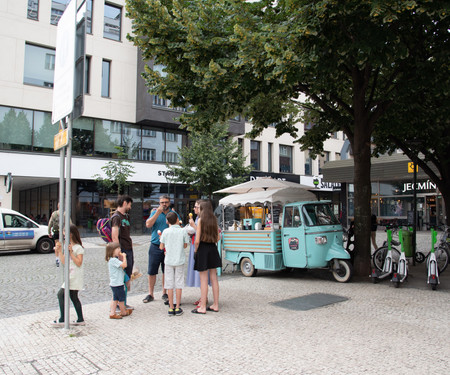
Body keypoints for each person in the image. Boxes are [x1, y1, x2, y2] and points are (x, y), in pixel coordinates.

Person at [143, 195, 180, 304]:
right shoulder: (155, 212)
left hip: (169, 247)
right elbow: (148, 225)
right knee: (152, 271)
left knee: (166, 270)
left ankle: (165, 293)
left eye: (166, 202)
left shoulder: (174, 214)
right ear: (159, 203)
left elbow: (180, 227)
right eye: (162, 202)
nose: (164, 204)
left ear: (169, 202)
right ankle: (150, 293)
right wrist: (158, 213)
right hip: (155, 245)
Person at [51, 225, 85, 327]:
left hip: (74, 275)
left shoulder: (78, 248)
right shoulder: (68, 246)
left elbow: (79, 263)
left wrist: (71, 253)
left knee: (61, 294)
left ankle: (63, 318)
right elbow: (64, 261)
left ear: (71, 234)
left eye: (65, 233)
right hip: (69, 274)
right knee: (73, 296)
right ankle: (80, 318)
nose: (64, 235)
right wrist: (59, 251)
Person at [192, 200, 222, 314]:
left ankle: (203, 307)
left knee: (203, 279)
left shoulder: (200, 220)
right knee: (214, 279)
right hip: (213, 249)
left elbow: (197, 240)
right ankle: (215, 305)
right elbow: (218, 238)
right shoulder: (214, 220)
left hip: (203, 249)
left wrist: (195, 251)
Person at [159, 212, 190, 316]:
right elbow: (185, 245)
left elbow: (161, 247)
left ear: (167, 221)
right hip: (179, 260)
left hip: (168, 260)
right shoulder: (183, 231)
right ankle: (177, 307)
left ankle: (171, 307)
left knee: (169, 284)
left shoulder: (165, 231)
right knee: (179, 283)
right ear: (177, 219)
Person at [111, 195, 134, 308]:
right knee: (121, 278)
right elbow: (114, 237)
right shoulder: (116, 217)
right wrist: (119, 253)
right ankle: (120, 304)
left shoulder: (126, 216)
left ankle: (122, 303)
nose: (130, 206)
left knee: (127, 277)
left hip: (128, 248)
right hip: (122, 250)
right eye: (130, 204)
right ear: (125, 203)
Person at [186, 200, 210, 306]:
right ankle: (203, 297)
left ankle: (204, 299)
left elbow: (203, 234)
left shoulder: (203, 219)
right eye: (194, 207)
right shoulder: (197, 218)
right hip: (195, 246)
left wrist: (193, 227)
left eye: (196, 207)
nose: (194, 209)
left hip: (200, 247)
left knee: (202, 275)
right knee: (200, 275)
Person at [106, 242, 133, 319]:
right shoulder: (114, 260)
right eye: (117, 248)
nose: (119, 250)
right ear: (112, 251)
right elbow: (124, 265)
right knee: (121, 299)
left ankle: (112, 313)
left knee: (115, 299)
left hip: (115, 283)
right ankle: (123, 312)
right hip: (117, 284)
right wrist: (124, 257)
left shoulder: (113, 260)